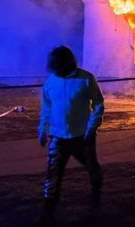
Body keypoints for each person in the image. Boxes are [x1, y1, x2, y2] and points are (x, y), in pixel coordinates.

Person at [37, 46, 104, 225]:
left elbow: (98, 104)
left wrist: (91, 128)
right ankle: (47, 215)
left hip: (82, 137)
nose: (54, 70)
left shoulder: (86, 79)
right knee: (53, 175)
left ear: (66, 63)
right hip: (57, 138)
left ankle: (96, 197)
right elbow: (46, 108)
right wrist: (43, 129)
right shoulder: (51, 81)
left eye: (56, 65)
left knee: (92, 168)